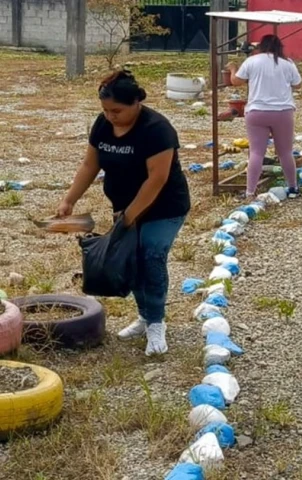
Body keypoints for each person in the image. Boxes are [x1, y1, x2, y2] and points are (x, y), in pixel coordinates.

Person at [57, 70, 191, 356]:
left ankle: (156, 323)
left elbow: (157, 179)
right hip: (124, 207)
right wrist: (69, 199)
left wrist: (130, 216)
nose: (110, 116)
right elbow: (89, 165)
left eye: (116, 110)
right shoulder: (103, 125)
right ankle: (144, 316)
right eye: (105, 110)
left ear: (136, 103)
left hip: (164, 207)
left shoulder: (157, 129)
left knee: (151, 254)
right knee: (132, 259)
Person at [227, 34, 302, 200]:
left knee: (256, 153)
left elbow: (236, 81)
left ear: (261, 46)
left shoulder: (252, 61)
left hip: (257, 112)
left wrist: (233, 68)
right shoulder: (287, 63)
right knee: (285, 152)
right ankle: (292, 187)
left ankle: (249, 192)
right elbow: (297, 84)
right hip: (283, 112)